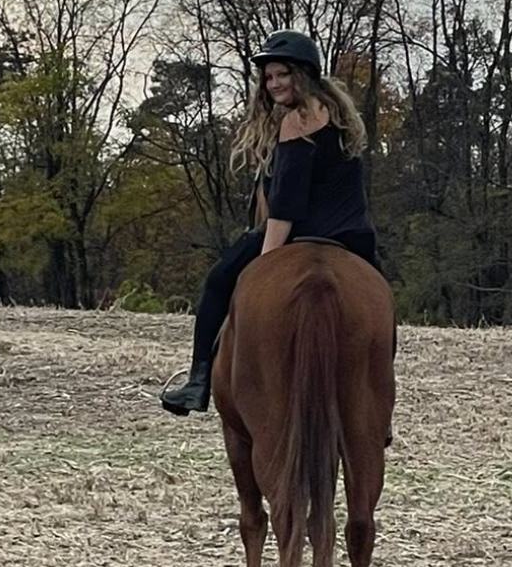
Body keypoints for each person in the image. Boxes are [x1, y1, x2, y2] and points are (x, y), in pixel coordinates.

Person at [160, 29, 380, 416]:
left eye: (283, 74)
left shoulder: (296, 121)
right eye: (269, 76)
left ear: (304, 73)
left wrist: (265, 264)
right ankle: (377, 402)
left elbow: (285, 207)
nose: (274, 83)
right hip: (355, 238)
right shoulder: (341, 115)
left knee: (217, 282)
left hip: (301, 233)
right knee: (381, 310)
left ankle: (198, 382)